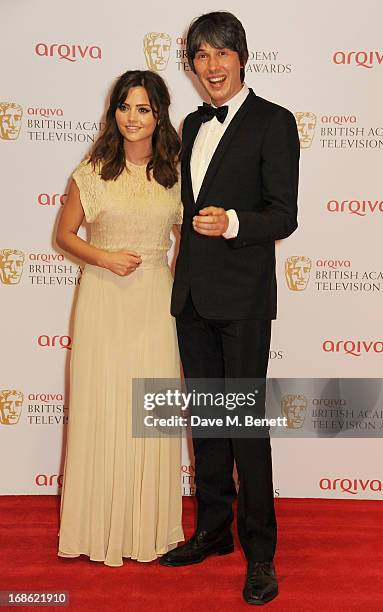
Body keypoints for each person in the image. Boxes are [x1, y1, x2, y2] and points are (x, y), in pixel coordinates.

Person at [159, 12, 300, 606]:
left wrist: (235, 223)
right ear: (190, 65)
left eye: (222, 53)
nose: (212, 66)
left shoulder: (274, 122)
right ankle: (214, 529)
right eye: (201, 56)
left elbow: (283, 214)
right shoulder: (190, 124)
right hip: (192, 296)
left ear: (243, 57)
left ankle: (260, 552)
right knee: (208, 424)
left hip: (243, 299)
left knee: (244, 426)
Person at [56, 70, 184, 566]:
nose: (133, 118)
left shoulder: (175, 172)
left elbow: (185, 243)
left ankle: (146, 529)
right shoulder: (91, 170)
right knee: (101, 406)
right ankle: (96, 528)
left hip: (154, 302)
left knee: (148, 413)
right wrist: (103, 257)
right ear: (114, 113)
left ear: (158, 116)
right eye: (125, 107)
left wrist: (167, 284)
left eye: (144, 109)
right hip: (103, 298)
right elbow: (65, 235)